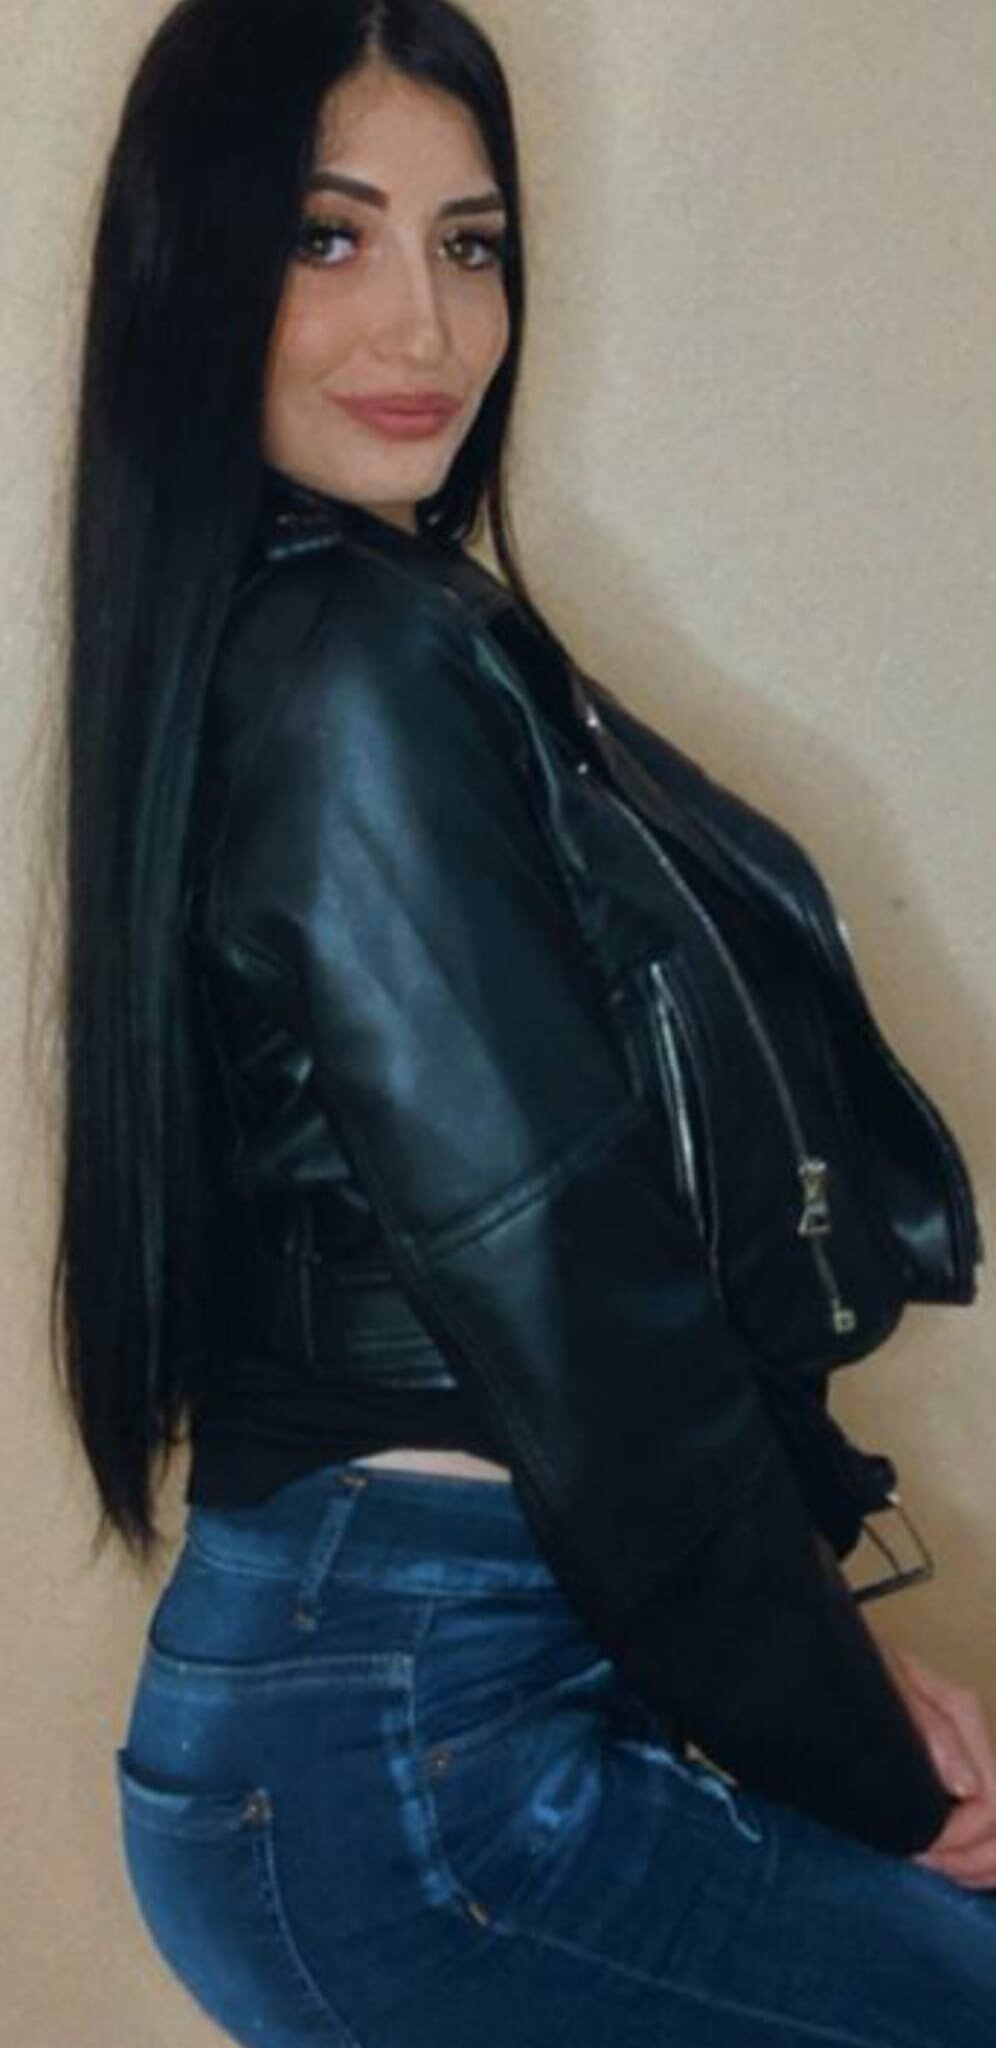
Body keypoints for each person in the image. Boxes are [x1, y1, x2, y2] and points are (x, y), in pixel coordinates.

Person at [47, 1, 996, 2042]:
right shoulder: (349, 678)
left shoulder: (361, 636)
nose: (426, 325)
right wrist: (852, 1750)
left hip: (417, 1683)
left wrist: (825, 1656)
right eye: (329, 235)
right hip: (417, 1733)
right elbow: (579, 1291)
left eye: (469, 244)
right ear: (195, 266)